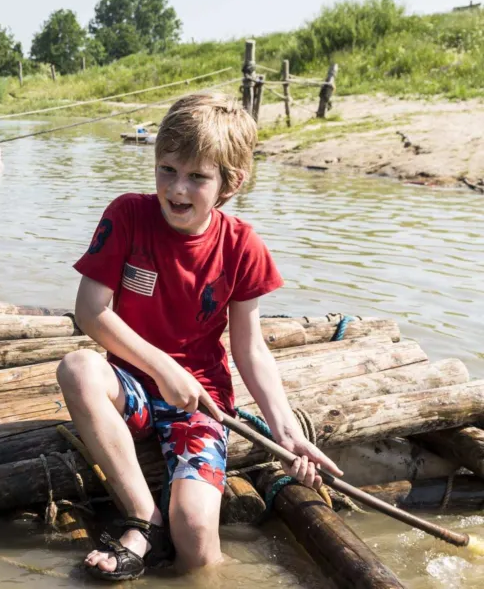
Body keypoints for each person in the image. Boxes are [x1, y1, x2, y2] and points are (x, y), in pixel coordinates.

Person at [57, 93, 343, 581]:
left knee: (193, 533)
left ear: (230, 184)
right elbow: (90, 311)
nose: (177, 188)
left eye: (197, 177)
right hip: (132, 389)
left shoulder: (242, 246)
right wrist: (163, 368)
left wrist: (287, 433)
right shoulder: (127, 215)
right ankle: (141, 519)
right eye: (167, 169)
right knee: (78, 368)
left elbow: (250, 349)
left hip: (201, 404)